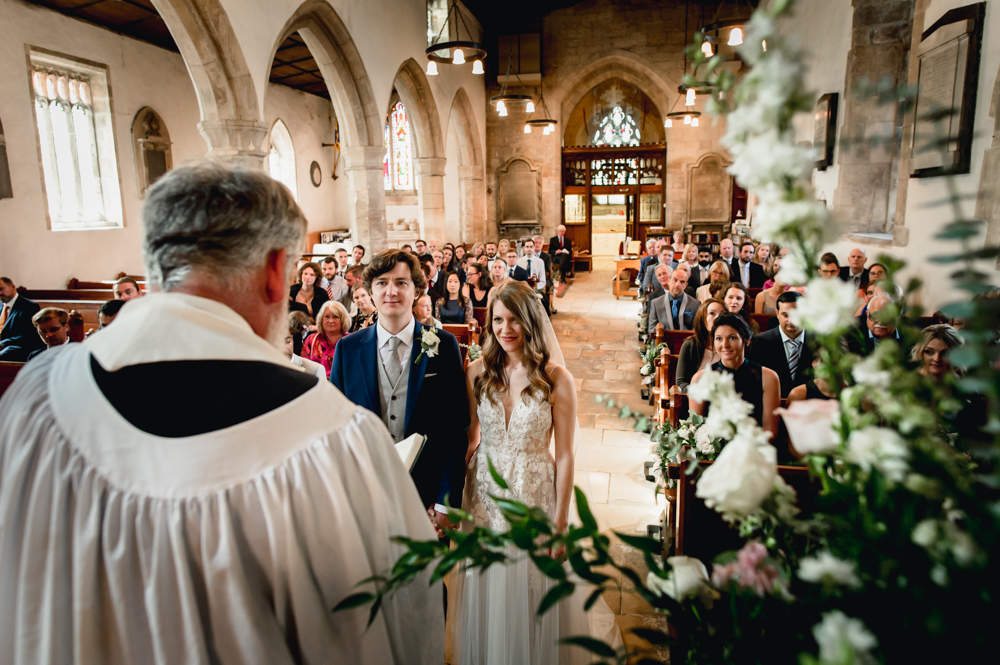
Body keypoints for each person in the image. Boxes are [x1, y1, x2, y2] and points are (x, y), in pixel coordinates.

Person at [0, 162, 443, 663]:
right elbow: (406, 615)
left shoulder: (35, 398)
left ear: (155, 263)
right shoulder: (331, 435)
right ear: (277, 272)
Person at [452, 281, 616, 663]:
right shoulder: (476, 372)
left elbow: (567, 453)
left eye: (514, 321)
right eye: (497, 320)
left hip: (534, 491)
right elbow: (470, 439)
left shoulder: (557, 378)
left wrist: (561, 521)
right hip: (486, 496)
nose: (505, 329)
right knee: (488, 582)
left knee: (531, 585)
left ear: (530, 322)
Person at [331, 248, 469, 522]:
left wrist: (445, 502)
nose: (391, 292)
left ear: (417, 290)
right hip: (365, 492)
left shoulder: (443, 345)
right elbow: (336, 427)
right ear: (370, 291)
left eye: (401, 283)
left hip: (426, 496)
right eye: (382, 283)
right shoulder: (348, 348)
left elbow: (456, 426)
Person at [691, 313, 780, 437]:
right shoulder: (700, 379)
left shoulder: (768, 377)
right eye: (719, 339)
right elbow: (695, 428)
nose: (725, 345)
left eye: (732, 338)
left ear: (747, 340)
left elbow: (770, 431)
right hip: (713, 452)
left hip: (752, 449)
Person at [748, 291, 814, 397]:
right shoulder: (760, 342)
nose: (791, 320)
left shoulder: (818, 341)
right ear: (777, 314)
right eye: (785, 315)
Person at [676, 298, 726, 392]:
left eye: (722, 313)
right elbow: (681, 381)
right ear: (703, 317)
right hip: (694, 397)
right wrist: (699, 395)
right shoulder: (690, 345)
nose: (718, 317)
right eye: (712, 313)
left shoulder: (730, 347)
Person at [0, 277, 45, 360]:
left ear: (13, 287)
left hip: (17, 347)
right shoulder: (1, 306)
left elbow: (29, 334)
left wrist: (2, 343)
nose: (0, 293)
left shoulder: (29, 306)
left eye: (2, 289)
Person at [302, 300, 350, 378]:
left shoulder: (351, 341)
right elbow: (303, 368)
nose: (330, 321)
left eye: (335, 317)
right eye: (327, 317)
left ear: (343, 319)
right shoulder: (311, 339)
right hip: (317, 386)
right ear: (321, 319)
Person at [648, 266, 699, 332]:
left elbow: (696, 329)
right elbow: (651, 329)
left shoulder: (695, 304)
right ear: (669, 280)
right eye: (675, 280)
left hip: (686, 340)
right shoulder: (656, 303)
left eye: (682, 282)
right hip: (663, 340)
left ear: (686, 285)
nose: (678, 284)